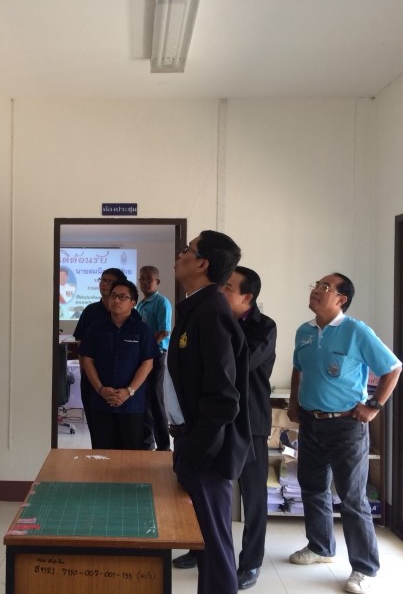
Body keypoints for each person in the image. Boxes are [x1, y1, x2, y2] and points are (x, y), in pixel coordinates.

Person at [286, 273, 401, 594]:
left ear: (341, 299)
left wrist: (374, 406)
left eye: (325, 287)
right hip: (311, 422)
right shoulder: (304, 331)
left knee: (352, 497)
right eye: (316, 285)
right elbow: (298, 368)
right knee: (312, 487)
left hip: (346, 425)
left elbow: (393, 367)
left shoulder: (356, 331)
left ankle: (364, 568)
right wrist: (294, 403)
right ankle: (320, 547)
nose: (316, 290)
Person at [172, 266, 277, 591]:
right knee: (206, 492)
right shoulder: (211, 319)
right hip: (214, 421)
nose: (221, 291)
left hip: (250, 422)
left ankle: (251, 562)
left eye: (228, 287)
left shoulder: (263, 327)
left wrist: (213, 338)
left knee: (253, 495)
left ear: (248, 297)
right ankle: (198, 548)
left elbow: (241, 362)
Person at [166, 230, 253, 594]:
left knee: (214, 547)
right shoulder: (197, 307)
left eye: (187, 250)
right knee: (203, 540)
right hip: (193, 443)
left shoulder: (212, 312)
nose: (180, 255)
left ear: (202, 264)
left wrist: (199, 450)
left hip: (208, 452)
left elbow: (223, 397)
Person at [79, 279, 159, 449]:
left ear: (132, 303)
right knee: (102, 453)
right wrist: (100, 389)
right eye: (113, 296)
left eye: (122, 297)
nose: (116, 300)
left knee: (130, 454)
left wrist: (129, 391)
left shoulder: (142, 330)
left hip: (131, 404)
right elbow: (87, 361)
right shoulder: (95, 329)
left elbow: (147, 364)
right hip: (101, 401)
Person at [73, 268, 127, 444]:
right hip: (92, 378)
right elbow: (81, 343)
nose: (104, 284)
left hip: (121, 381)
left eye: (110, 281)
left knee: (122, 431)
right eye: (102, 280)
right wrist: (84, 371)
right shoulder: (90, 311)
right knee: (97, 429)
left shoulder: (129, 313)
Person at [135, 265, 173, 451]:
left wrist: (147, 350)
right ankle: (147, 442)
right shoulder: (140, 304)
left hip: (155, 355)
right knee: (144, 399)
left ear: (157, 281)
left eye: (148, 279)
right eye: (141, 278)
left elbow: (164, 331)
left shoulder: (161, 302)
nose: (144, 282)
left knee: (156, 399)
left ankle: (164, 445)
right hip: (142, 357)